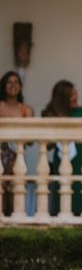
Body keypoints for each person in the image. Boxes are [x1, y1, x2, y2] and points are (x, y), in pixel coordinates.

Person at [42, 80, 82, 215]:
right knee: (63, 189)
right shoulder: (52, 115)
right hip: (63, 158)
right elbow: (48, 146)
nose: (75, 97)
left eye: (76, 93)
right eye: (71, 95)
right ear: (62, 98)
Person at [0, 71, 34, 215]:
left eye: (16, 82)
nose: (13, 85)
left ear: (20, 86)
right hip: (1, 155)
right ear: (3, 86)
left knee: (16, 194)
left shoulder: (26, 109)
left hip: (17, 157)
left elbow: (31, 140)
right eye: (9, 82)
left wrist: (26, 119)